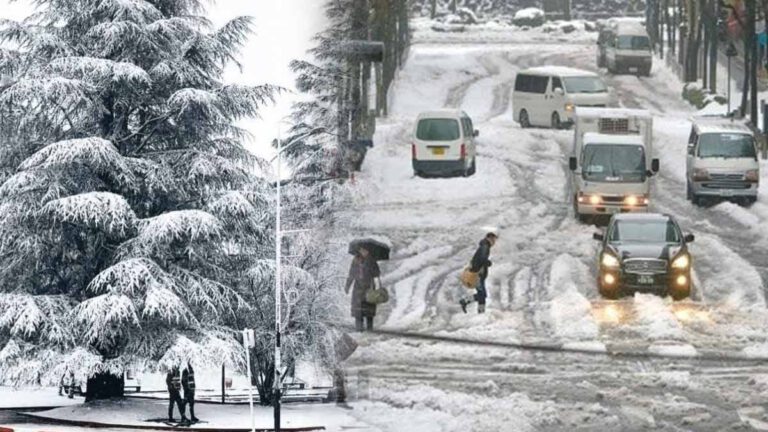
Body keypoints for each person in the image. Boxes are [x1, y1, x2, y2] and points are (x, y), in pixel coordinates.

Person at [459, 232, 498, 314]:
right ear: (489, 238)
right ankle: (466, 302)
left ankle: (480, 312)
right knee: (482, 295)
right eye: (494, 240)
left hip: (478, 274)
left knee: (482, 294)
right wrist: (487, 263)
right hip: (478, 275)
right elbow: (482, 259)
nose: (494, 242)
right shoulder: (485, 247)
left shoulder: (484, 246)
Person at [345, 246, 381, 331]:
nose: (364, 252)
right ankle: (359, 330)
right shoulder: (355, 260)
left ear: (368, 251)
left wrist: (370, 266)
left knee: (369, 313)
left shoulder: (372, 260)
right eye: (362, 250)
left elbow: (377, 273)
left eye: (365, 250)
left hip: (369, 289)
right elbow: (351, 274)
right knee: (358, 312)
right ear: (359, 251)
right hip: (358, 289)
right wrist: (347, 286)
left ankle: (369, 330)